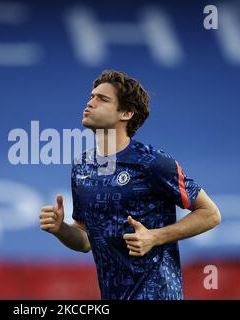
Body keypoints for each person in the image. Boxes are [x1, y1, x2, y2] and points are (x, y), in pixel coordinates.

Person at [39, 70, 221, 300]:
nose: (90, 103)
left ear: (126, 113)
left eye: (102, 99)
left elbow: (210, 214)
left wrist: (155, 236)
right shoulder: (82, 166)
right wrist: (60, 229)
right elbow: (86, 240)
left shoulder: (153, 162)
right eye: (91, 96)